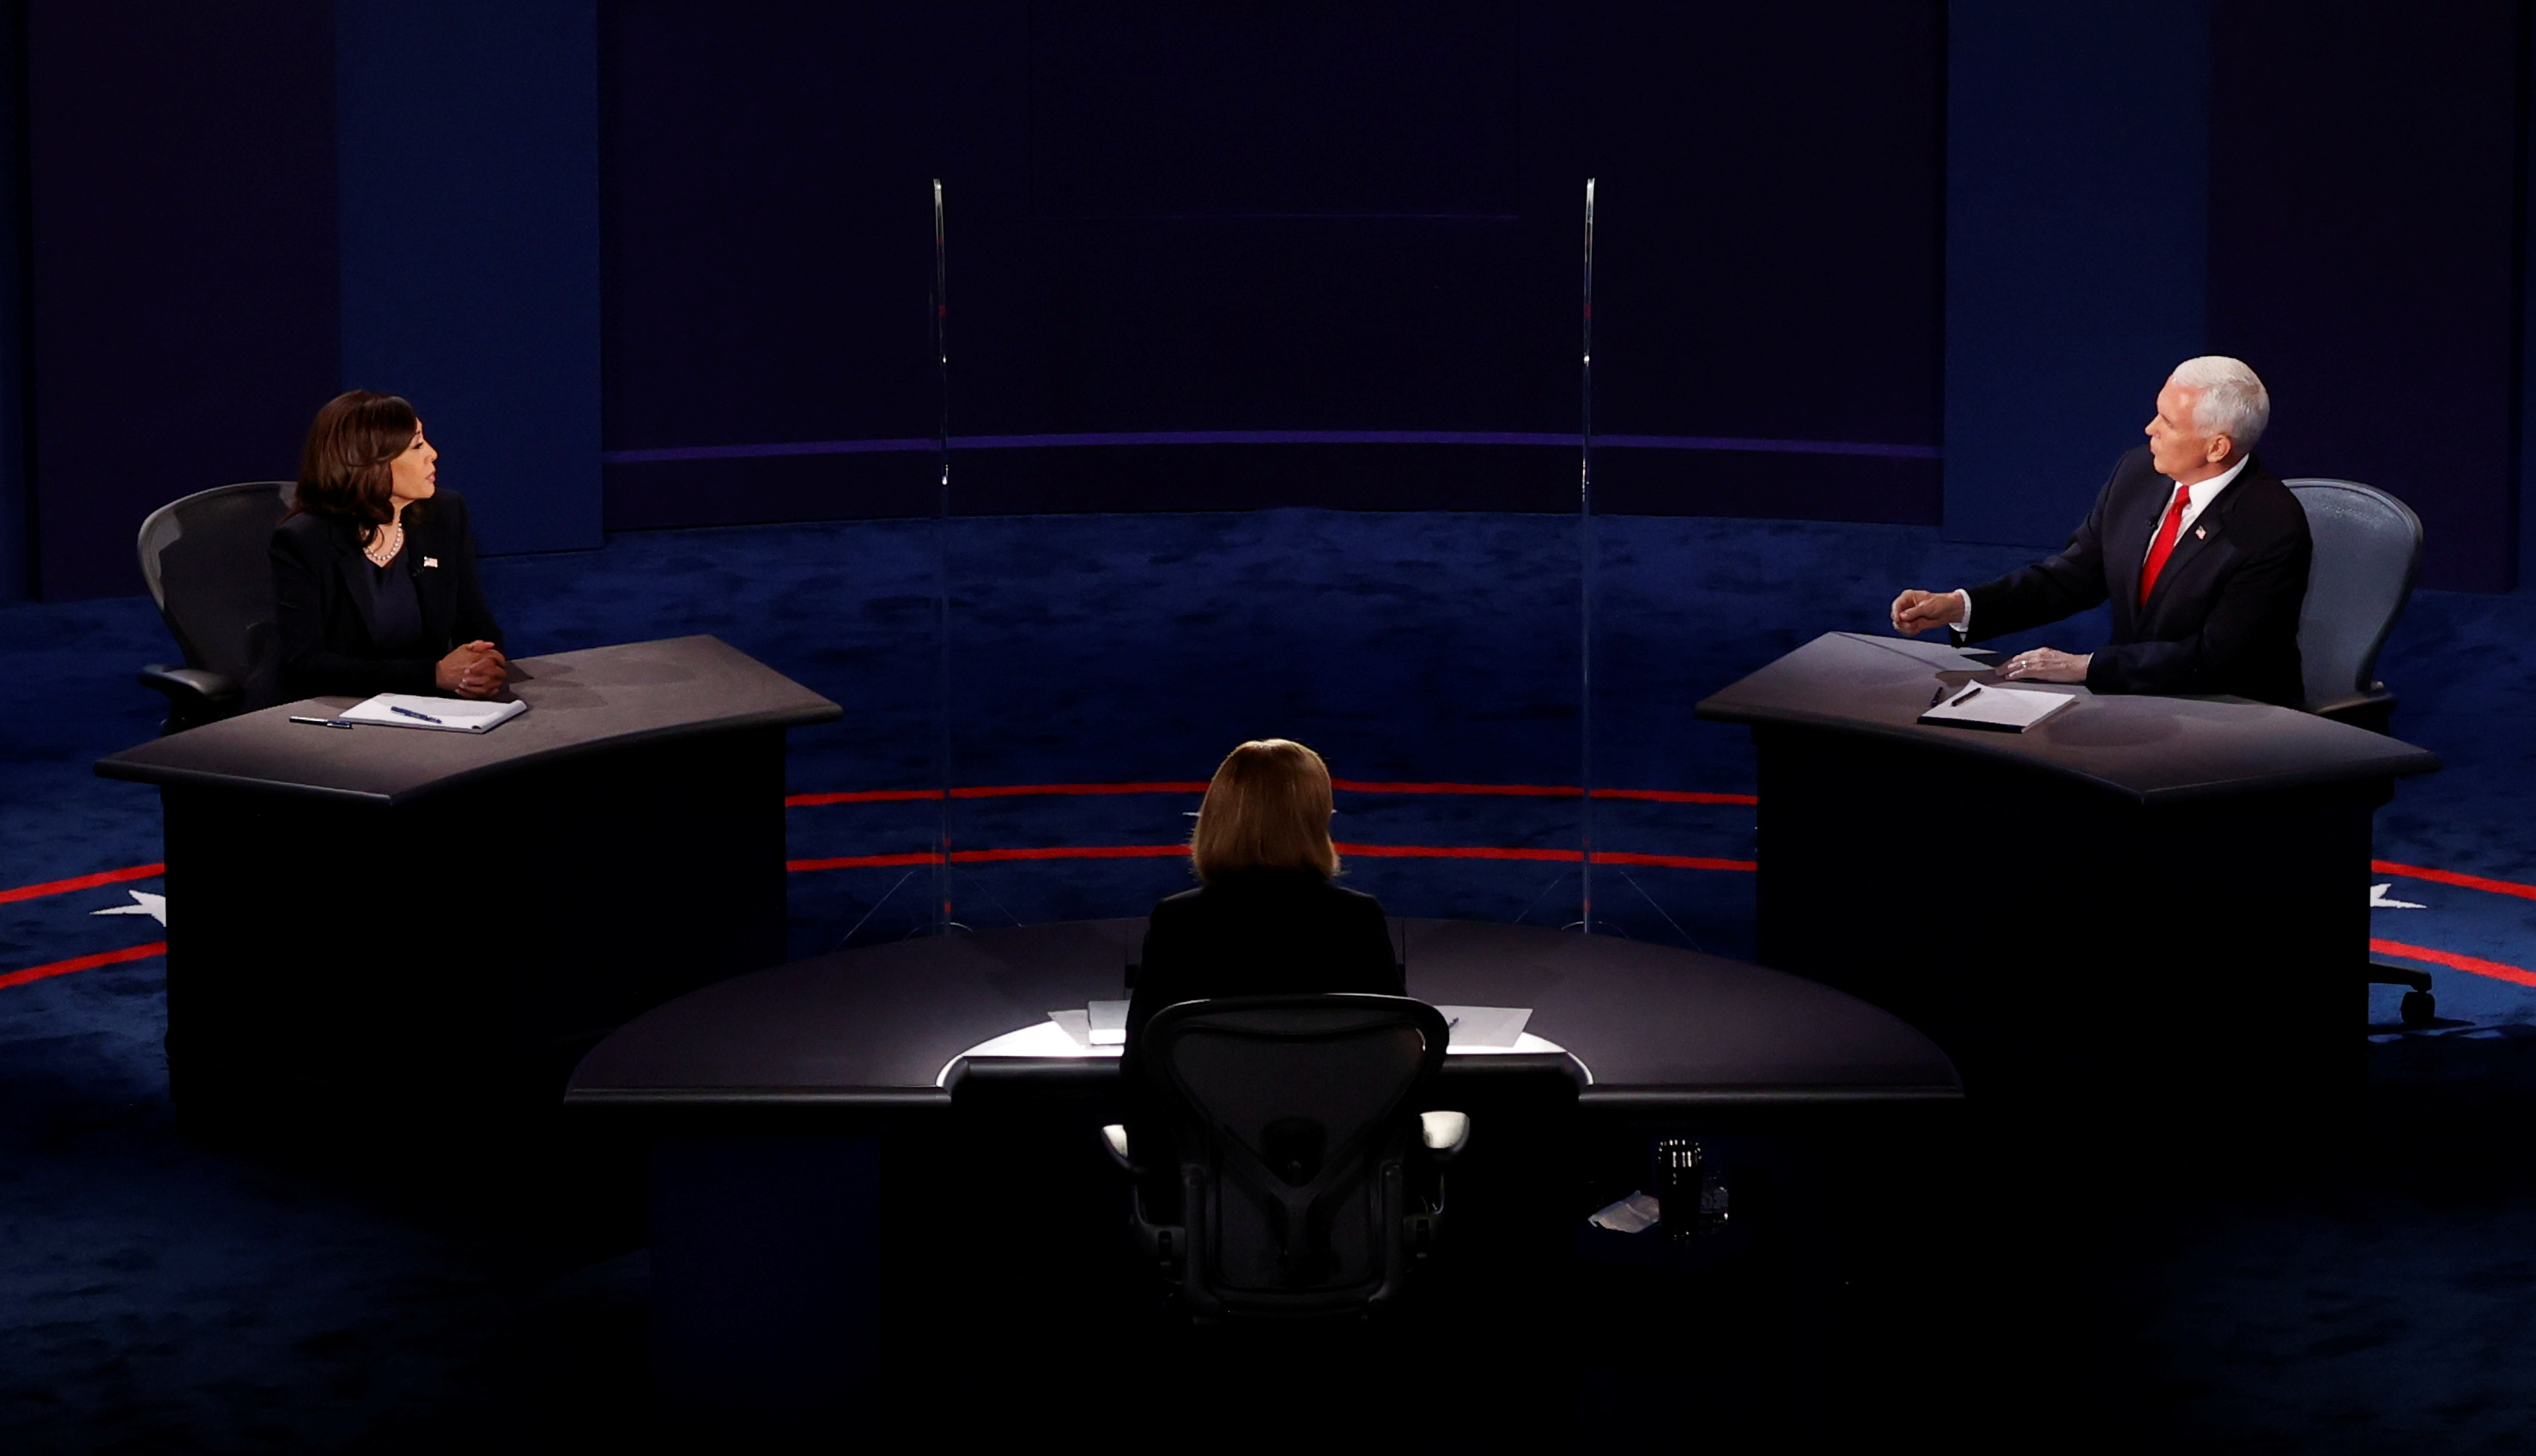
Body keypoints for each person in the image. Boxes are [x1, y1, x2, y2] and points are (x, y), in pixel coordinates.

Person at [1890, 356, 2310, 705]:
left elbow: (2217, 659)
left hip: (2230, 712)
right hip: (2136, 697)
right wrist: (1961, 607)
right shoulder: (2138, 473)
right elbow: (2072, 578)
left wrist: (2085, 667)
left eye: (2168, 422)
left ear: (2217, 447)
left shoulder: (2270, 527)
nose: (2150, 429)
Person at [1125, 738, 1404, 1045]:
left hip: (1214, 1078)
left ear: (1217, 815)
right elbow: (1396, 1047)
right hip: (1328, 1078)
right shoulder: (1356, 917)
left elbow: (1141, 1058)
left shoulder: (1178, 919)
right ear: (1316, 818)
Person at [264, 391, 507, 705]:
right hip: (328, 709)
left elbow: (475, 622)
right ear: (369, 462)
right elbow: (307, 664)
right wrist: (433, 675)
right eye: (416, 445)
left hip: (426, 707)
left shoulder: (445, 515)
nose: (432, 454)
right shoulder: (304, 540)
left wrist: (484, 665)